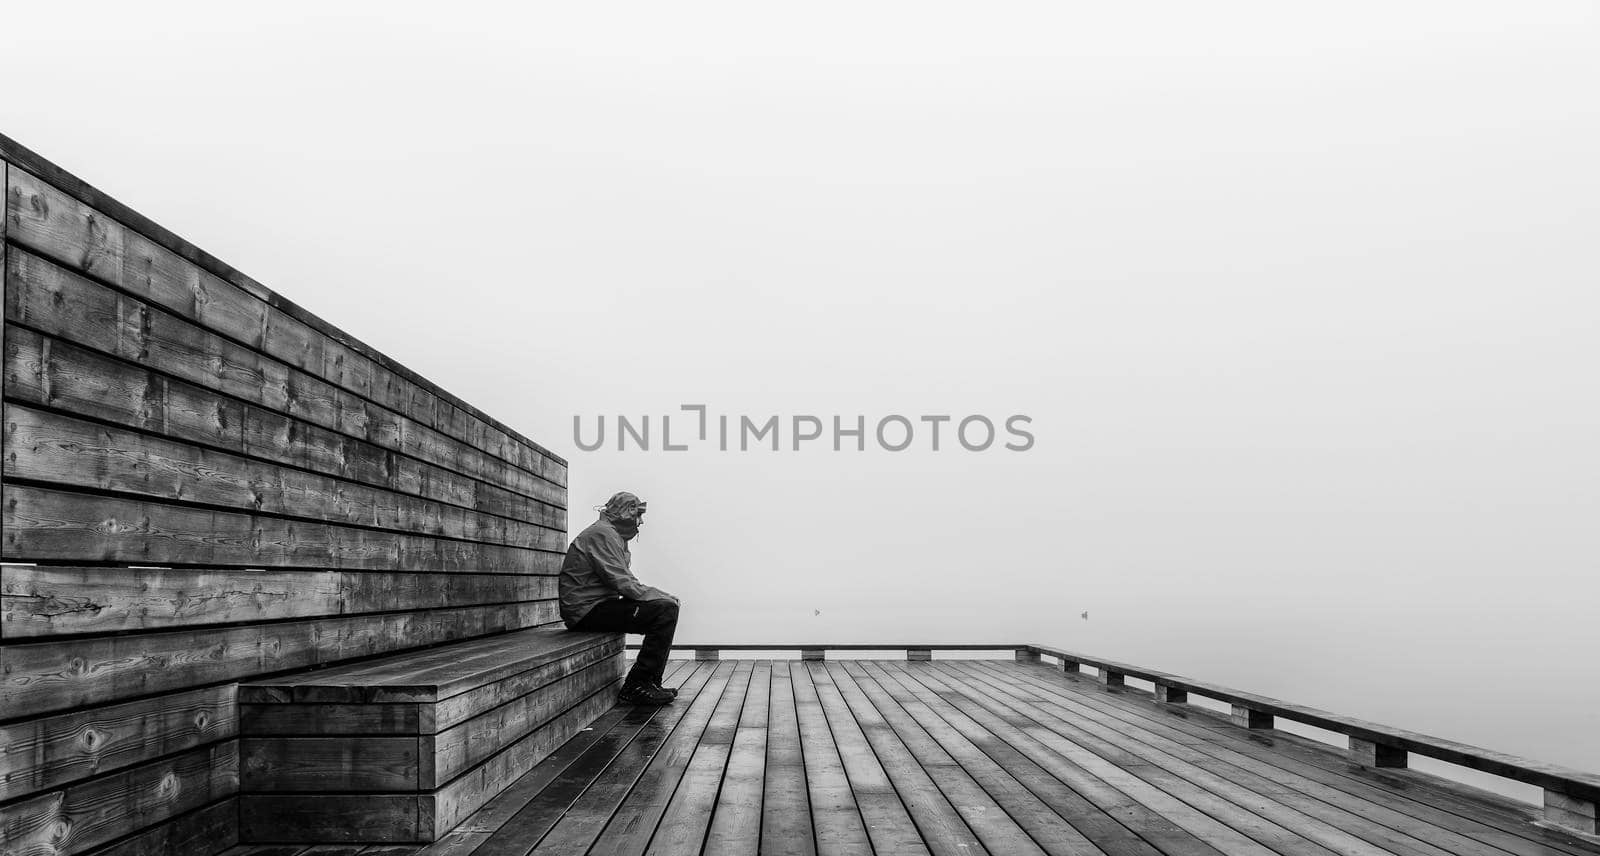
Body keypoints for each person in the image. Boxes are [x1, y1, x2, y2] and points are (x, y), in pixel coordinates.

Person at [559, 491, 682, 705]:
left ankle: (650, 683)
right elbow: (622, 582)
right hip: (586, 611)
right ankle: (638, 685)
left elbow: (623, 581)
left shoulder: (611, 535)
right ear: (625, 513)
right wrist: (663, 597)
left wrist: (660, 597)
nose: (641, 522)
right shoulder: (602, 534)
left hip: (595, 606)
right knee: (665, 610)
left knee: (664, 607)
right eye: (638, 515)